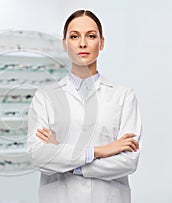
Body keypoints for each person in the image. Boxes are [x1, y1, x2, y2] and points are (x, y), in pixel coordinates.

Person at [26, 9, 142, 203]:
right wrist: (99, 151)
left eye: (91, 36)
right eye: (74, 36)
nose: (82, 43)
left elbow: (128, 161)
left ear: (102, 42)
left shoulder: (124, 96)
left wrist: (67, 158)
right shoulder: (45, 97)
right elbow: (38, 156)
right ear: (65, 44)